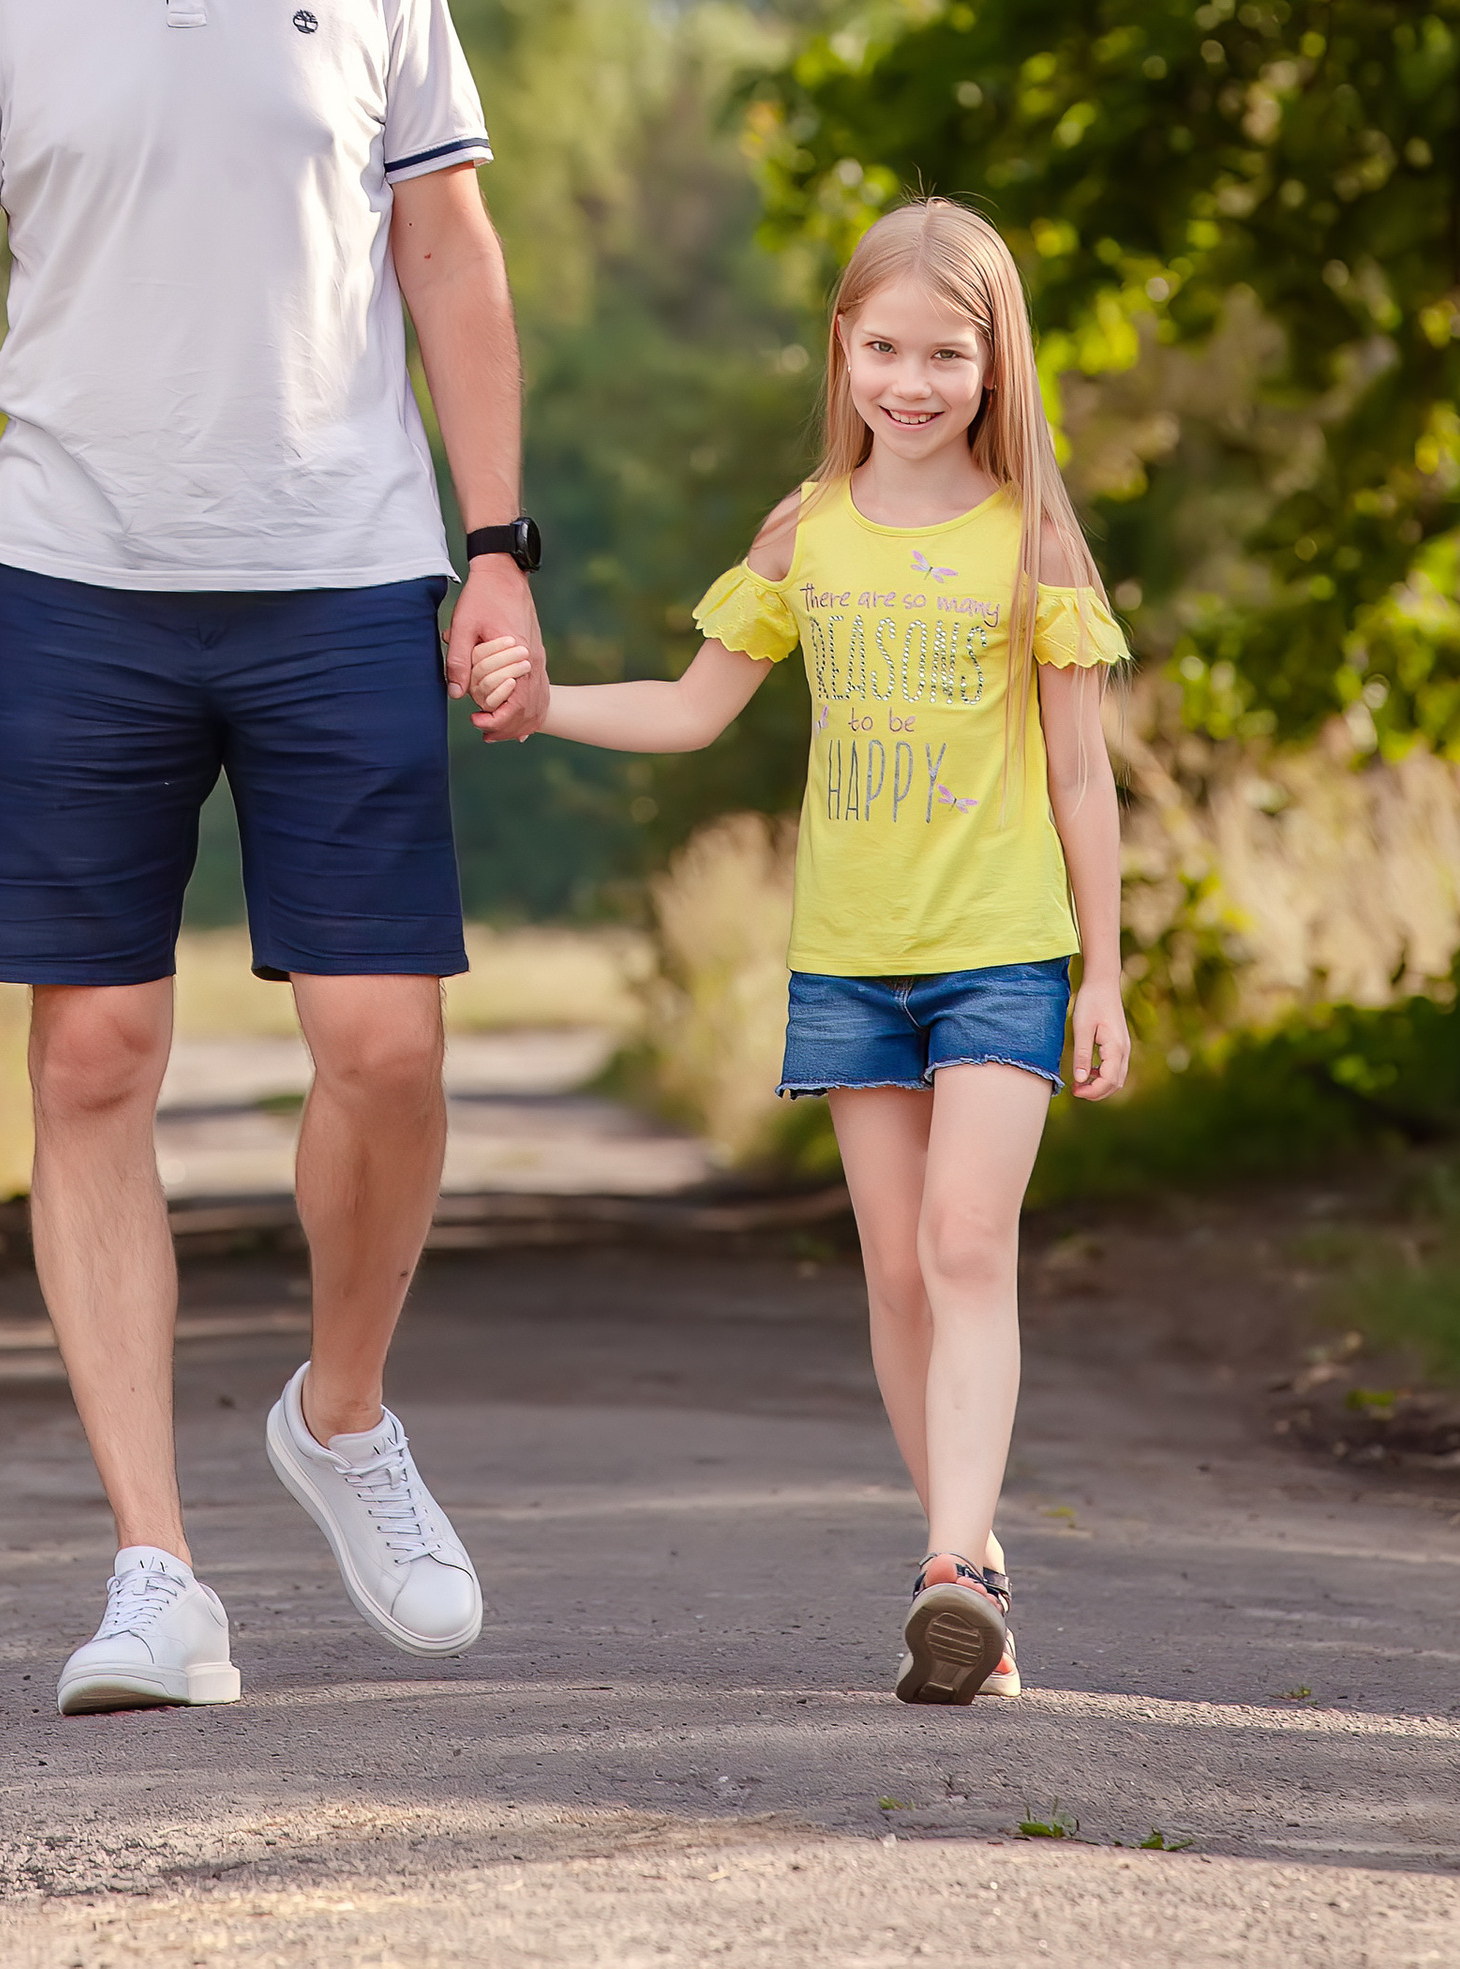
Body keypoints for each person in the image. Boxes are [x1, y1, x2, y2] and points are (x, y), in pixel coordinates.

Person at [0, 0, 551, 1716]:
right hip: (67, 571)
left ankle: (338, 1411)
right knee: (91, 1058)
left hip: (343, 567)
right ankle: (154, 1569)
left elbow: (448, 256)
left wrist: (497, 545)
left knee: (384, 1049)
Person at [470, 196, 1131, 1708]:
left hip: (1002, 951)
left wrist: (1103, 971)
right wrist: (544, 699)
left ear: (993, 362)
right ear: (842, 349)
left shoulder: (1030, 536)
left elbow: (1083, 775)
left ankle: (953, 1567)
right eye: (884, 348)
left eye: (944, 354)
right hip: (849, 958)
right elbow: (698, 706)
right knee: (899, 1274)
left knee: (969, 1245)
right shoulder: (805, 531)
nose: (911, 380)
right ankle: (969, 1578)